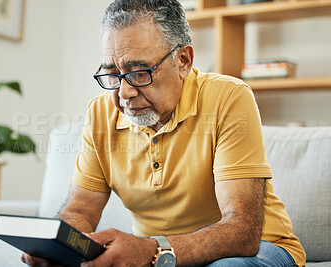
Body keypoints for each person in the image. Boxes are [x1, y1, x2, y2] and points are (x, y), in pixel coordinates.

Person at [22, 0, 306, 266]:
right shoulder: (101, 114)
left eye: (139, 72)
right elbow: (80, 211)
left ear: (183, 61)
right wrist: (57, 247)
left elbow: (243, 231)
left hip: (258, 248)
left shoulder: (229, 97)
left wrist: (153, 251)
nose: (124, 93)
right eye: (113, 74)